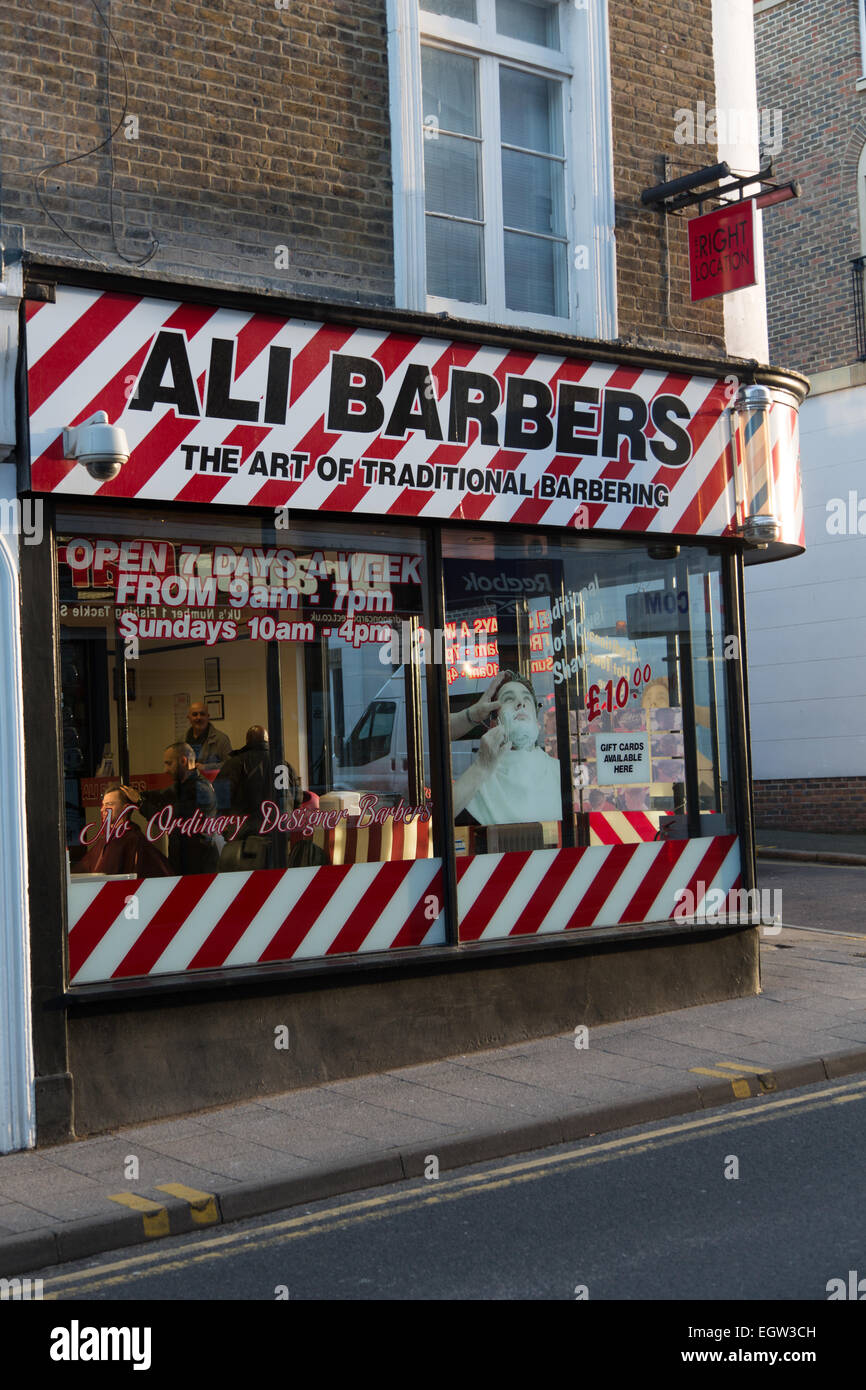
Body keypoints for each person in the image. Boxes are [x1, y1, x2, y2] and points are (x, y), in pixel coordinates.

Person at [452, 675, 562, 825]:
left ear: (537, 722)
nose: (521, 703)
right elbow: (435, 821)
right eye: (509, 699)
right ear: (494, 724)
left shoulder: (559, 774)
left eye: (527, 699)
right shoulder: (475, 783)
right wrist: (481, 768)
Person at [121, 742, 219, 874]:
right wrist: (134, 796)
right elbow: (160, 795)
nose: (165, 769)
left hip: (199, 867)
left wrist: (139, 802)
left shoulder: (201, 790)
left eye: (169, 763)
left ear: (183, 761)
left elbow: (168, 820)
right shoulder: (181, 787)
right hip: (182, 863)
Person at [215, 724, 300, 835]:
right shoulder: (284, 765)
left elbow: (219, 798)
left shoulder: (235, 764)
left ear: (247, 741)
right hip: (279, 832)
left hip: (244, 833)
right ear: (267, 741)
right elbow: (297, 799)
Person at [72, 786, 172, 877]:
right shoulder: (106, 840)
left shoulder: (133, 840)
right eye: (103, 805)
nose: (102, 809)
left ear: (125, 809)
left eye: (109, 804)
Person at [184, 700, 232, 769]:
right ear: (189, 718)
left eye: (202, 714)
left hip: (213, 779)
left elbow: (230, 765)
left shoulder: (221, 739)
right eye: (195, 714)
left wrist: (206, 767)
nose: (199, 718)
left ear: (208, 717)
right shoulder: (182, 740)